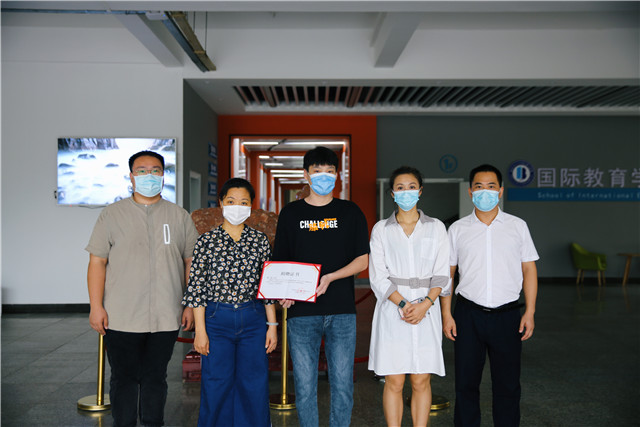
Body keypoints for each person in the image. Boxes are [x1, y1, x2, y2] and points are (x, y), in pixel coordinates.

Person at [86, 150, 199, 427]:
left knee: (155, 377)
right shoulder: (112, 214)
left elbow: (191, 261)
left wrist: (189, 304)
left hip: (166, 314)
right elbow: (97, 262)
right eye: (142, 170)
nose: (150, 175)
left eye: (156, 170)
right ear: (131, 176)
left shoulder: (179, 216)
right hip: (121, 315)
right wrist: (96, 306)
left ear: (164, 176)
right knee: (123, 377)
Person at [272, 146, 370, 427]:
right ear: (306, 175)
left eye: (329, 171)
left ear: (337, 175)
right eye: (317, 171)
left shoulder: (350, 212)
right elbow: (281, 260)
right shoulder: (291, 213)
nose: (324, 176)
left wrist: (331, 277)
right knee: (304, 386)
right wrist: (284, 293)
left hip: (341, 310)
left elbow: (362, 260)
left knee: (343, 384)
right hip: (302, 311)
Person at [442, 164, 539, 427]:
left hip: (507, 315)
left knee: (508, 384)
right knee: (465, 383)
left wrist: (530, 311)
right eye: (479, 186)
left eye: (491, 186)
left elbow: (529, 269)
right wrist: (446, 314)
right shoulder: (457, 229)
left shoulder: (517, 226)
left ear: (501, 191)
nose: (485, 191)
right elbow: (448, 274)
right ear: (470, 192)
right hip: (468, 315)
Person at [182, 177, 277, 427]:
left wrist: (272, 326)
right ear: (221, 203)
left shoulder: (259, 240)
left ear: (251, 206)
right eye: (232, 201)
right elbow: (198, 288)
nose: (237, 206)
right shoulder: (206, 241)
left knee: (254, 382)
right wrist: (200, 331)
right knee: (216, 381)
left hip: (253, 318)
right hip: (216, 319)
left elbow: (266, 287)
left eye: (244, 202)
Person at [368, 166, 450, 427]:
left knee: (421, 379)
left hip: (427, 309)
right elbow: (378, 276)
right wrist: (403, 304)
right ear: (392, 193)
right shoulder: (381, 229)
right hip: (393, 310)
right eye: (400, 187)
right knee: (394, 380)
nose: (406, 192)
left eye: (412, 187)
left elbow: (442, 273)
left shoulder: (436, 227)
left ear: (420, 191)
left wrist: (426, 304)